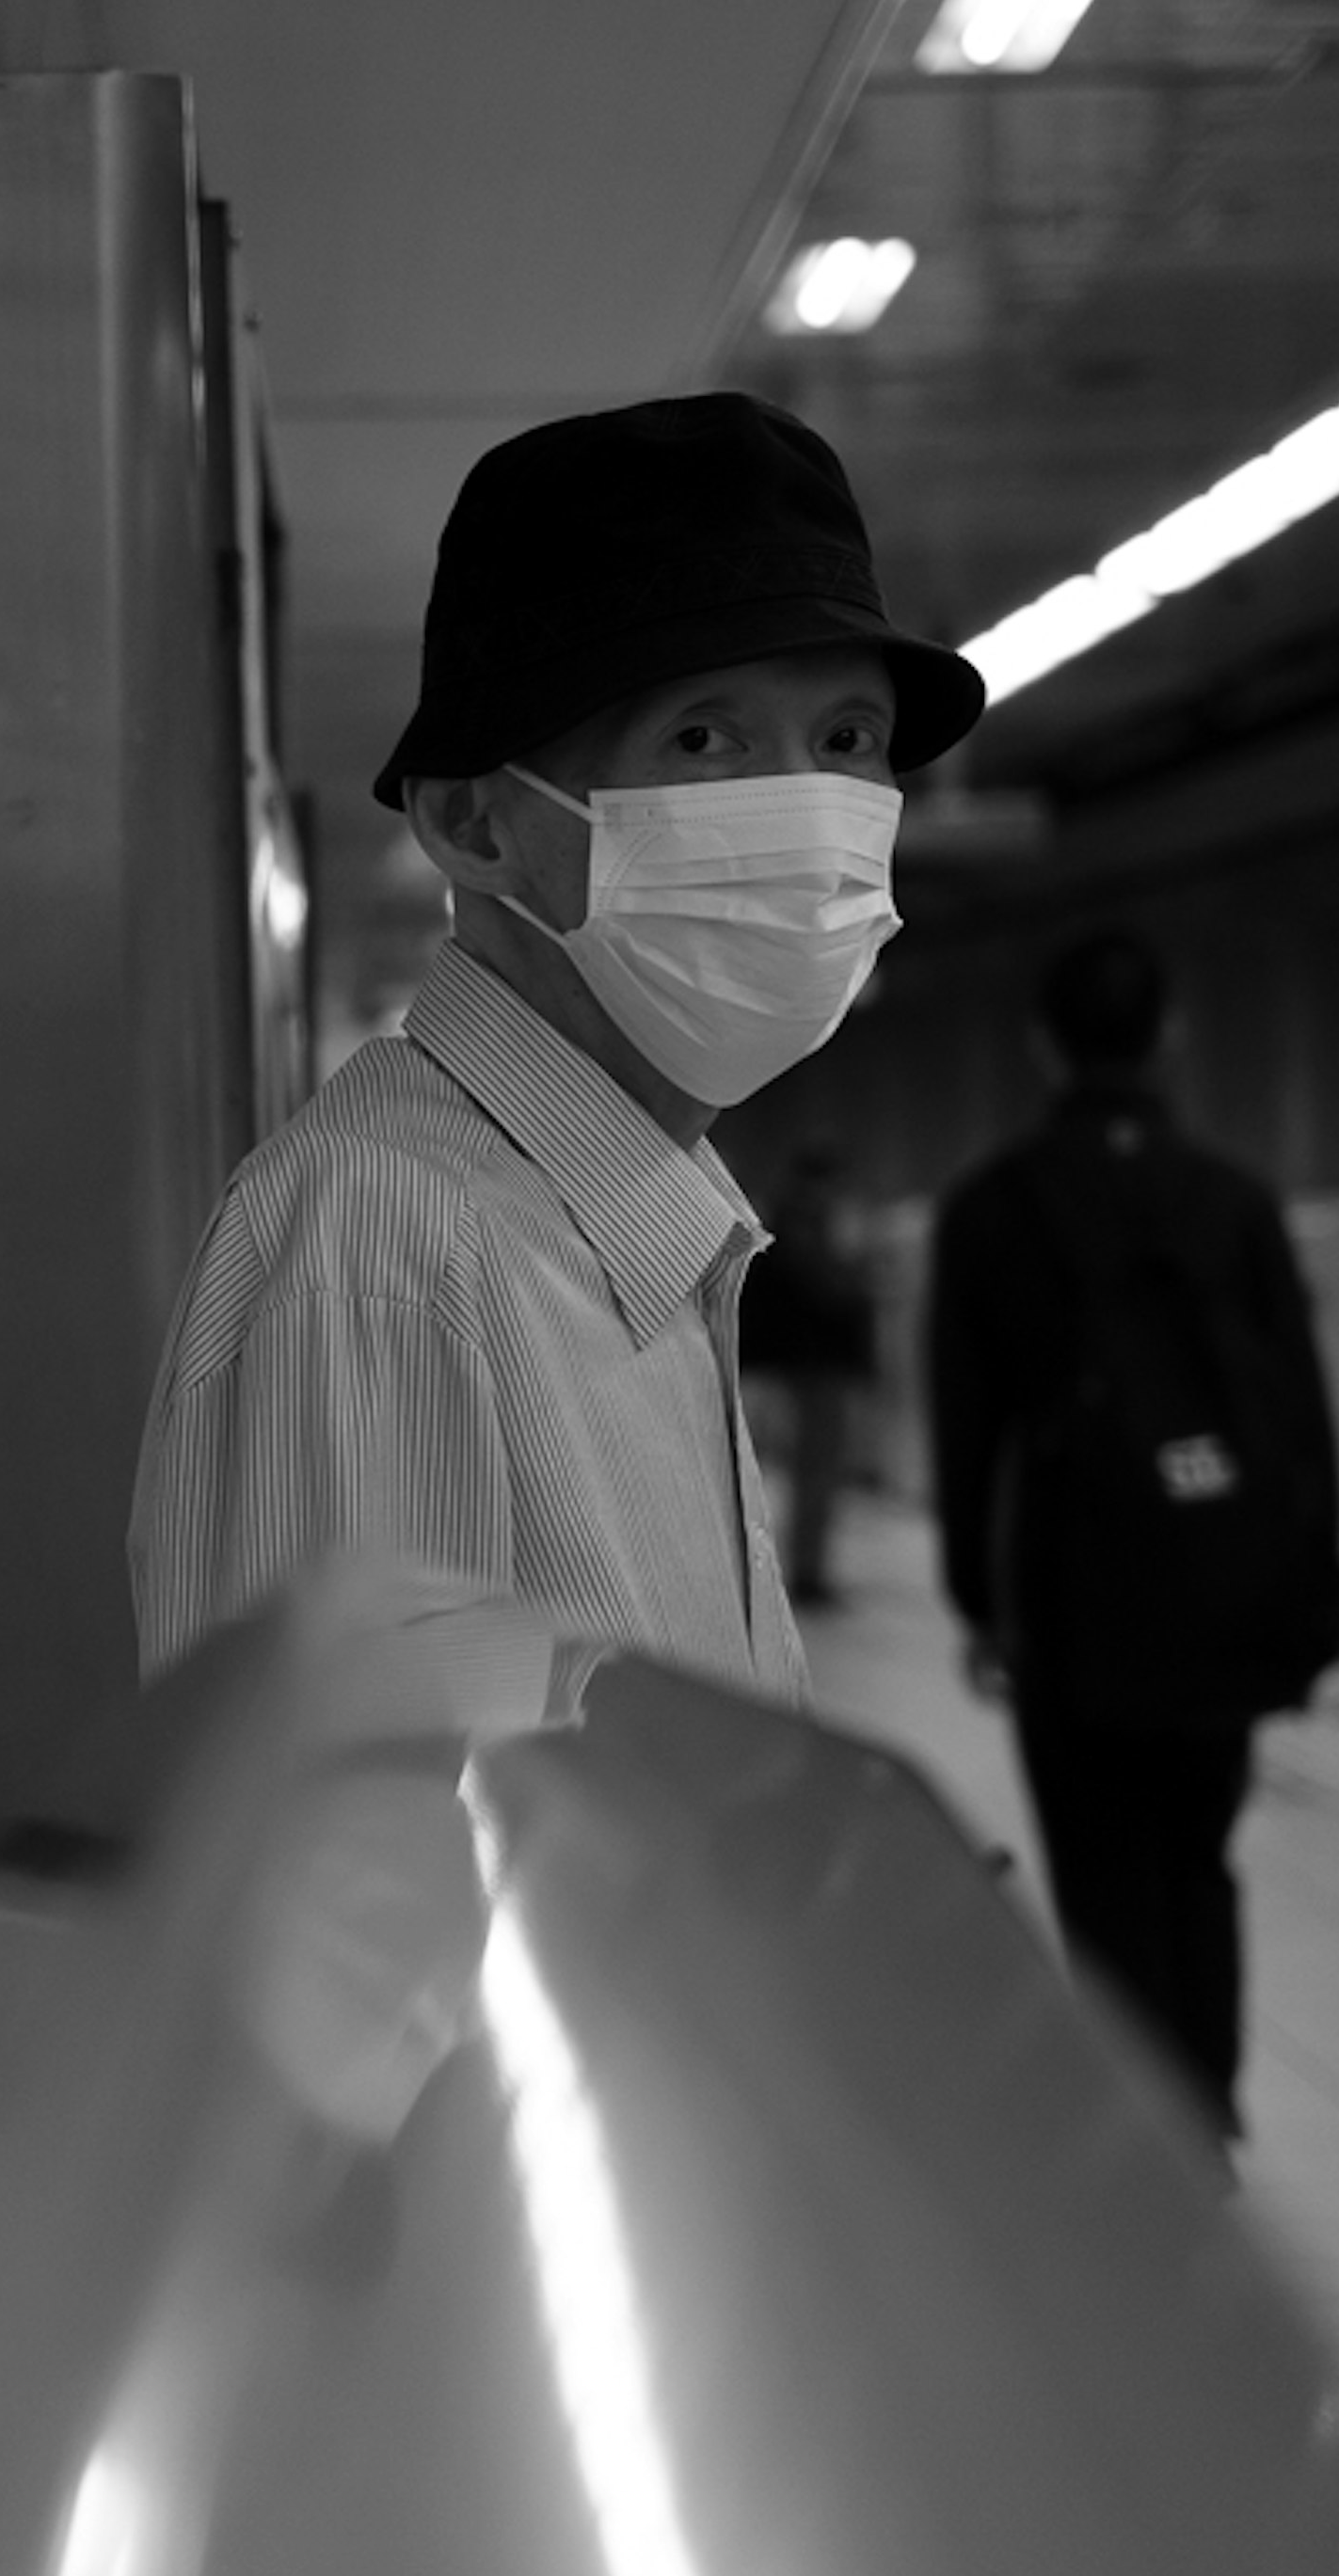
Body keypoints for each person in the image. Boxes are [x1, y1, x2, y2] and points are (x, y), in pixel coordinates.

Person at [132, 394, 984, 1683]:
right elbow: (360, 1872)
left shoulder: (642, 1224)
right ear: (474, 825)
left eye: (848, 741)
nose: (807, 809)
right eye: (705, 737)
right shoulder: (392, 1263)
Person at [928, 927, 1339, 2133]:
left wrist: (976, 1599)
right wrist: (1313, 1585)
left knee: (1101, 1867)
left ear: (1042, 1046)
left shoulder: (994, 1210)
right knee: (1200, 1858)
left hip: (1075, 1594)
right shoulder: (1236, 1202)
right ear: (1170, 1035)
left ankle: (1137, 2136)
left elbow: (970, 1428)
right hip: (1225, 1589)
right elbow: (1304, 1419)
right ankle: (1210, 2106)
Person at [739, 1131, 880, 1609]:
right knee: (813, 1470)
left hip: (801, 1360)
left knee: (804, 1471)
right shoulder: (806, 1222)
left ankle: (804, 1568)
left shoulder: (789, 1216)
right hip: (814, 1362)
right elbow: (826, 1288)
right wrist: (859, 1281)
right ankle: (806, 1572)